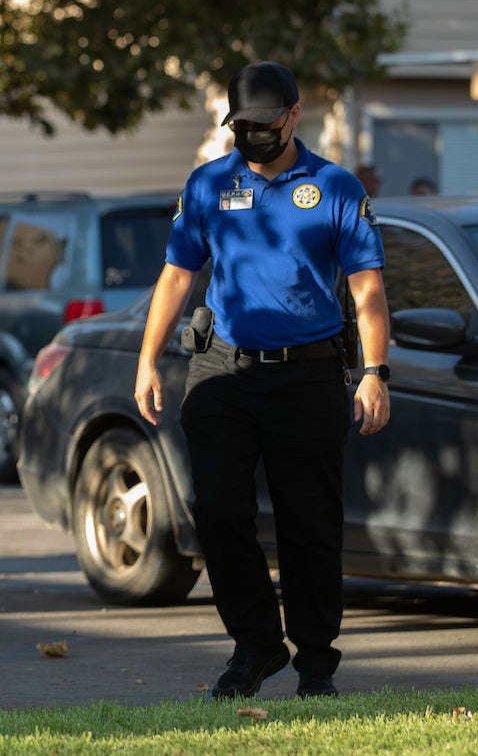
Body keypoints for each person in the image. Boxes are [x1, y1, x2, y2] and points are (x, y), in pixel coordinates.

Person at [134, 61, 391, 700]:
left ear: (294, 116)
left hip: (308, 378)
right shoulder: (207, 185)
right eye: (240, 126)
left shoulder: (334, 187)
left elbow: (368, 289)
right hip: (222, 368)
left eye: (263, 125)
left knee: (310, 523)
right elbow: (176, 276)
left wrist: (375, 372)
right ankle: (255, 645)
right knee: (219, 513)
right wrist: (147, 359)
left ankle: (315, 662)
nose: (251, 136)